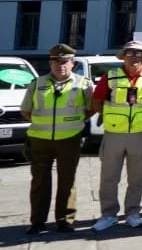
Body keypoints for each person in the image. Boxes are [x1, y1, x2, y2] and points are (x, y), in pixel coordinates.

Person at [90, 40, 142, 231]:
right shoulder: (111, 76)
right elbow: (96, 102)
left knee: (137, 178)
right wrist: (111, 116)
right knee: (109, 177)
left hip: (140, 134)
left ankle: (133, 213)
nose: (134, 58)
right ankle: (108, 215)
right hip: (114, 134)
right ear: (123, 57)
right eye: (130, 53)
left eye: (139, 54)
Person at [22, 43, 91, 235]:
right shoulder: (37, 83)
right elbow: (26, 110)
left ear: (72, 63)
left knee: (67, 180)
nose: (60, 65)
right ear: (50, 63)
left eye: (64, 61)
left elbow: (91, 108)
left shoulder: (83, 84)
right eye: (56, 61)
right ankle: (37, 222)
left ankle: (65, 220)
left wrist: (73, 122)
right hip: (40, 139)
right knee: (39, 181)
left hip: (69, 138)